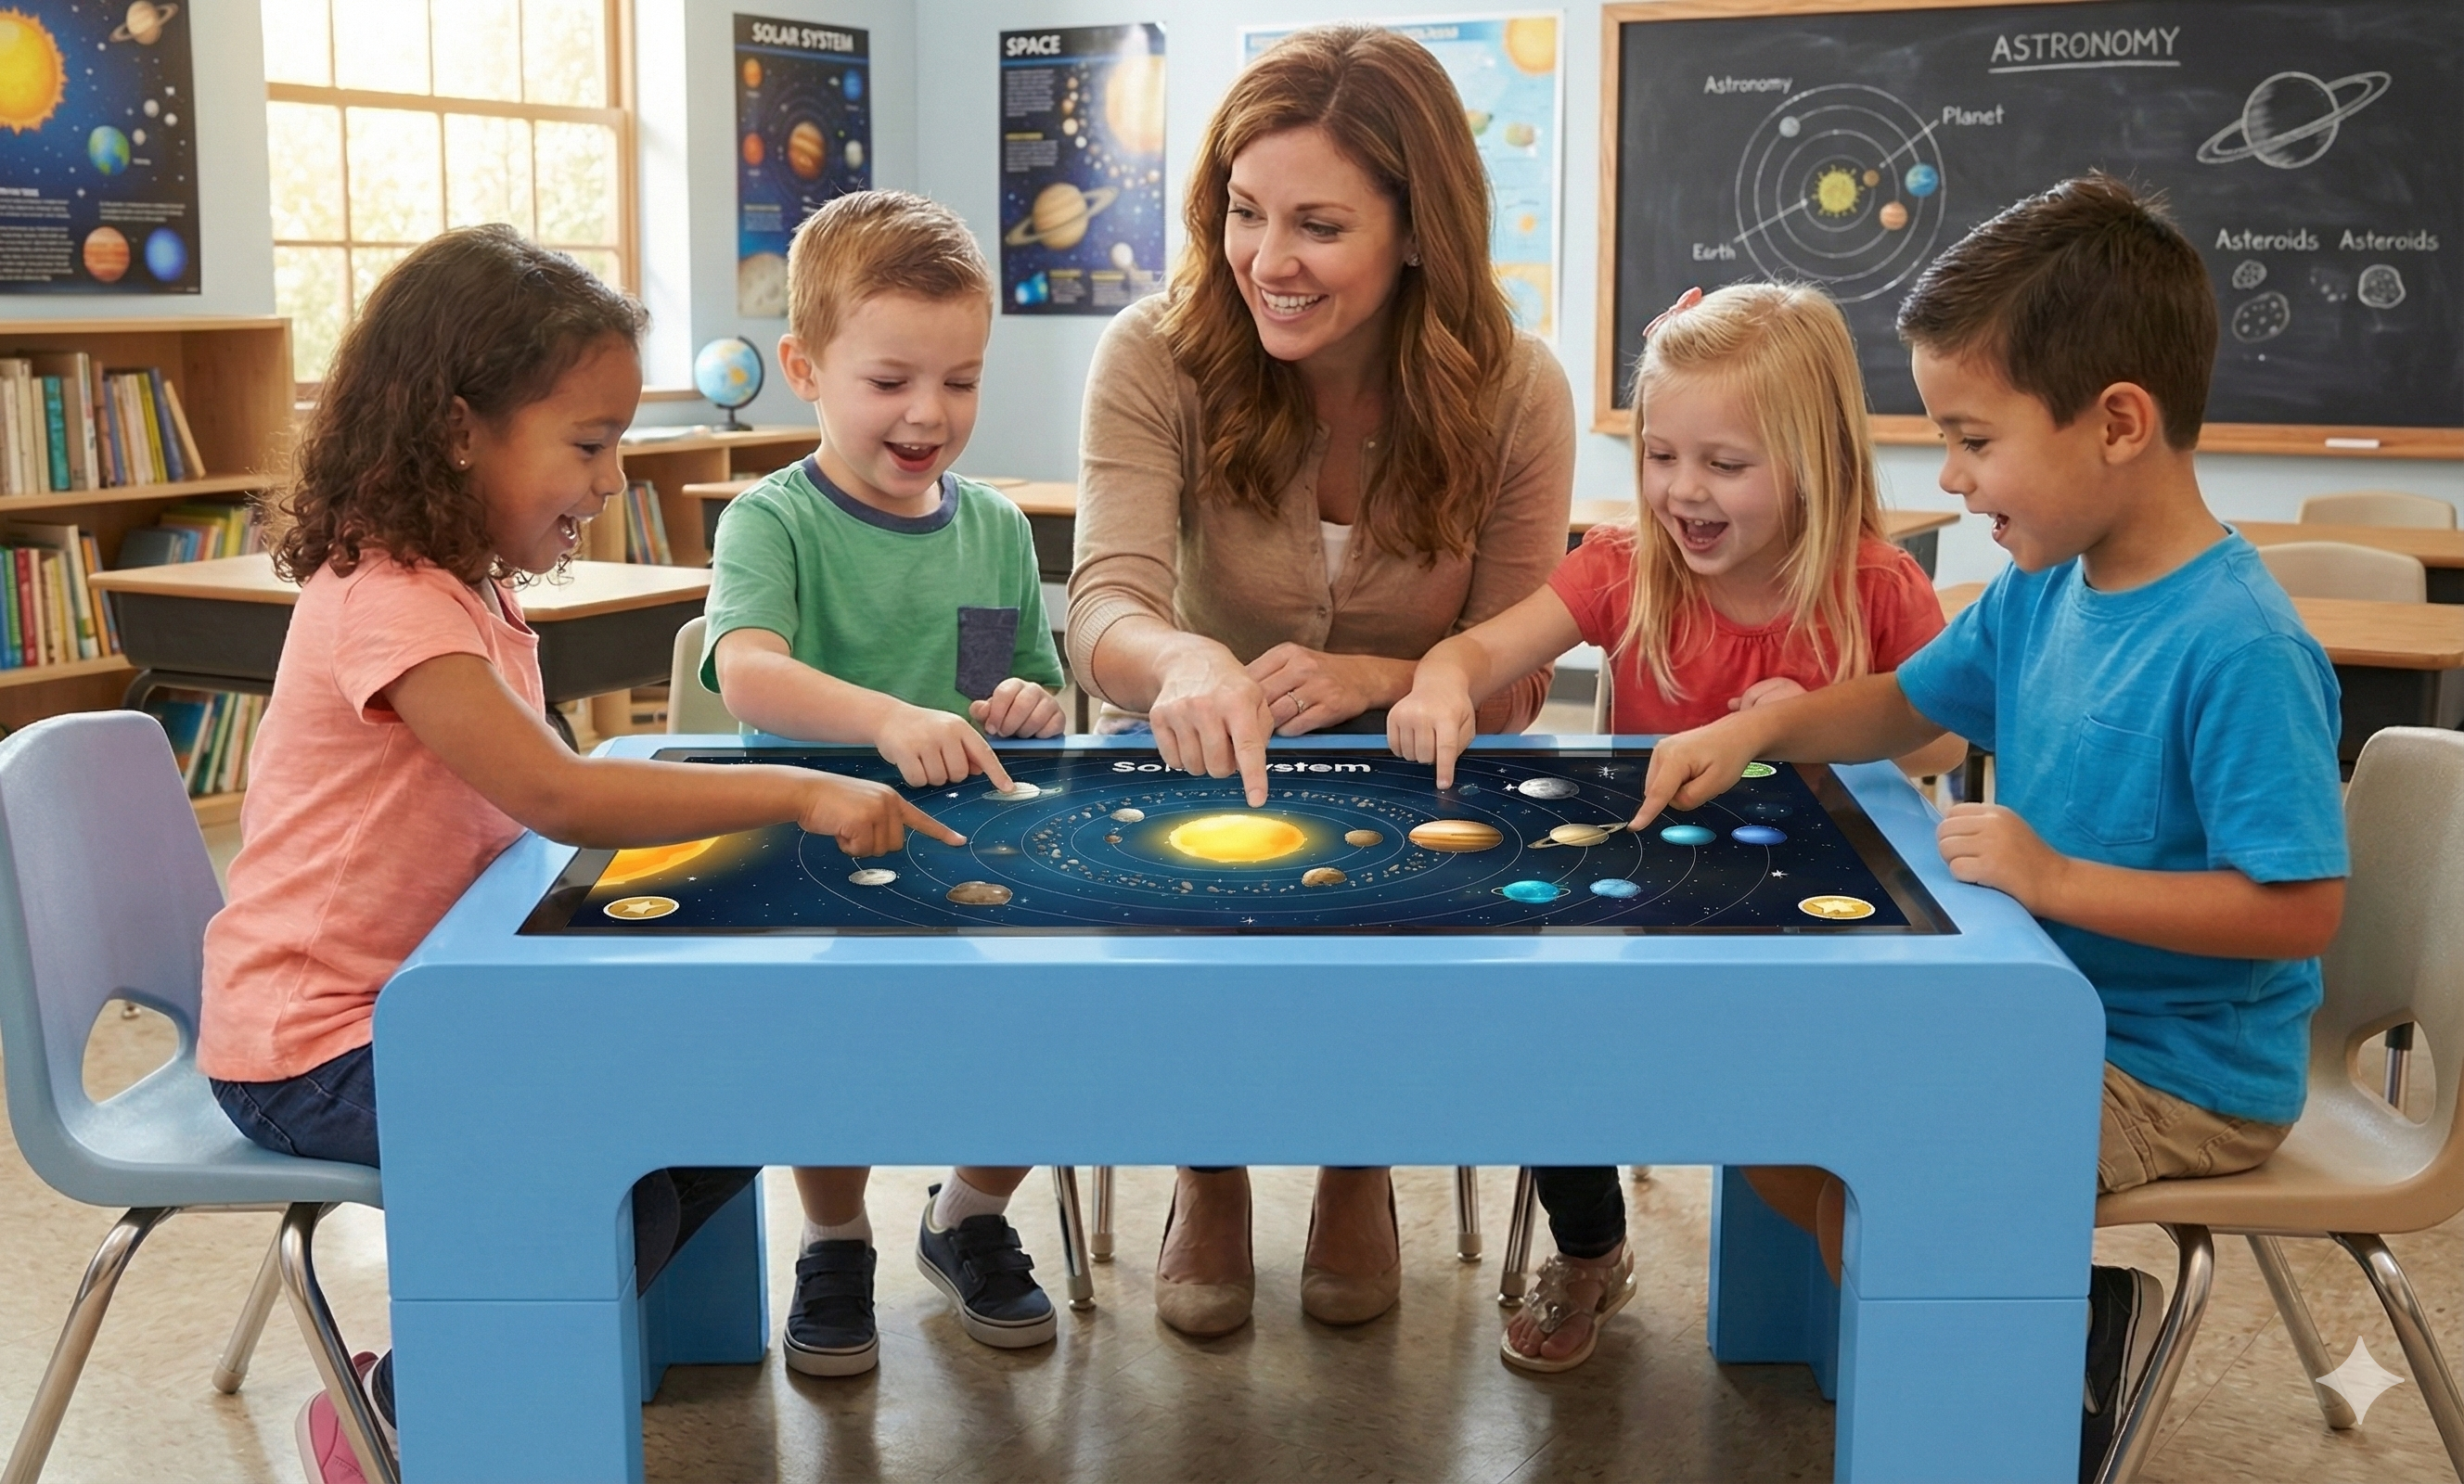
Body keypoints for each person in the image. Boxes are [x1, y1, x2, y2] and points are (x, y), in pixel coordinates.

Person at [199, 225, 956, 1484]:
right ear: (459, 429)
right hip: (318, 1047)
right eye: (589, 446)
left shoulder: (468, 587)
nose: (608, 483)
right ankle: (399, 1410)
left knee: (720, 1100)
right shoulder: (387, 599)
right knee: (617, 1173)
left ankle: (541, 1340)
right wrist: (801, 794)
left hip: (435, 1001)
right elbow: (554, 792)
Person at [1634, 176, 2348, 1479]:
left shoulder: (2240, 644)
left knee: (1900, 1170)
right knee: (1779, 1106)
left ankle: (2010, 1408)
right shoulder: (2045, 587)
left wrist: (2056, 878)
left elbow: (2301, 908)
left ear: (2118, 423)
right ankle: (2013, 1348)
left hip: (2184, 1068)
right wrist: (1756, 730)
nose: (1952, 481)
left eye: (1973, 438)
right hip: (2036, 1001)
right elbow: (1904, 702)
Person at [1067, 23, 1577, 1337]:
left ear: (1419, 233)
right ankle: (1210, 1166)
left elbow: (1511, 682)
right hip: (1198, 761)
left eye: (1318, 226)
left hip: (1417, 771)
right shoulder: (1155, 355)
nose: (1265, 262)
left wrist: (1376, 673)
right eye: (1243, 213)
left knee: (1428, 895)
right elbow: (1104, 609)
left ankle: (1362, 1159)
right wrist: (1181, 655)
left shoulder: (1518, 393)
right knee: (1176, 902)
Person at [1391, 280, 1970, 1373]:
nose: (1682, 492)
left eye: (1725, 464)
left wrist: (1815, 726)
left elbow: (1939, 745)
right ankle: (1591, 1247)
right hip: (1642, 905)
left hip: (1823, 931)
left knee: (1831, 1093)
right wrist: (1438, 686)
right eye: (1661, 456)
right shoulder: (1620, 568)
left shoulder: (1875, 585)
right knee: (1543, 1036)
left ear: (1815, 461)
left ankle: (1856, 1269)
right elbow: (1473, 653)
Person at [703, 190, 1067, 1376]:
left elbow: (1011, 680)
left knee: (1043, 1030)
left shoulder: (995, 529)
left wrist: (1023, 703)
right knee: (830, 1057)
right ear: (805, 367)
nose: (928, 413)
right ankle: (835, 1233)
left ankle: (966, 1210)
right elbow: (750, 674)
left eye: (959, 381)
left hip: (972, 855)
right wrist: (885, 719)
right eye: (890, 380)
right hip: (818, 858)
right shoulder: (772, 521)